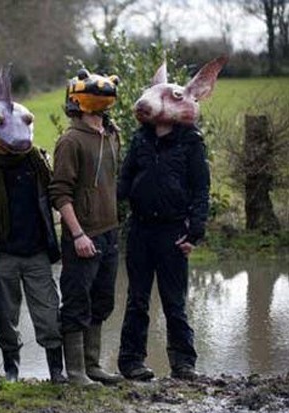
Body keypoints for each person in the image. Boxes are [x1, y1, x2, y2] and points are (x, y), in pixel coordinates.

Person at [117, 57, 224, 381]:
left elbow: (201, 188)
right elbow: (124, 180)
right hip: (140, 230)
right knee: (137, 299)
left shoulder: (192, 143)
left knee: (174, 301)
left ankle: (183, 363)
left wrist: (195, 232)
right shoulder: (139, 139)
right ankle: (132, 362)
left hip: (173, 231)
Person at [0, 67, 65, 383]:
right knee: (6, 317)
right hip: (3, 253)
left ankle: (57, 369)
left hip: (37, 252)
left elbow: (58, 192)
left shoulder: (37, 161)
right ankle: (11, 368)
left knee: (49, 314)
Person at [49, 69, 124, 385]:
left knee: (102, 300)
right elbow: (60, 192)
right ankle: (76, 371)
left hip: (109, 231)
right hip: (83, 235)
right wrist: (77, 233)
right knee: (77, 301)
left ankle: (92, 365)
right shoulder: (71, 141)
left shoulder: (111, 135)